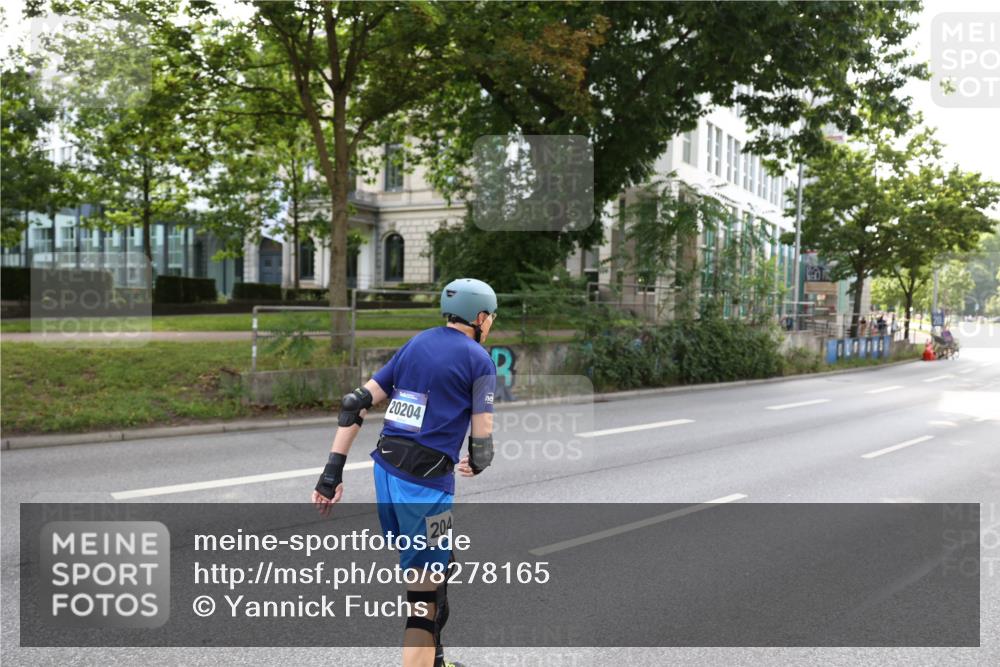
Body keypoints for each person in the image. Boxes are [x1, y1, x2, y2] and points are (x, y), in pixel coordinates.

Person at [311, 278, 498, 667]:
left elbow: (356, 402)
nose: (491, 324)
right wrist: (479, 460)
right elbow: (482, 438)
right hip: (427, 486)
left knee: (437, 569)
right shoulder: (480, 360)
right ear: (480, 317)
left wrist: (331, 475)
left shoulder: (418, 342)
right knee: (425, 597)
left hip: (388, 474)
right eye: (492, 318)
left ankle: (436, 661)